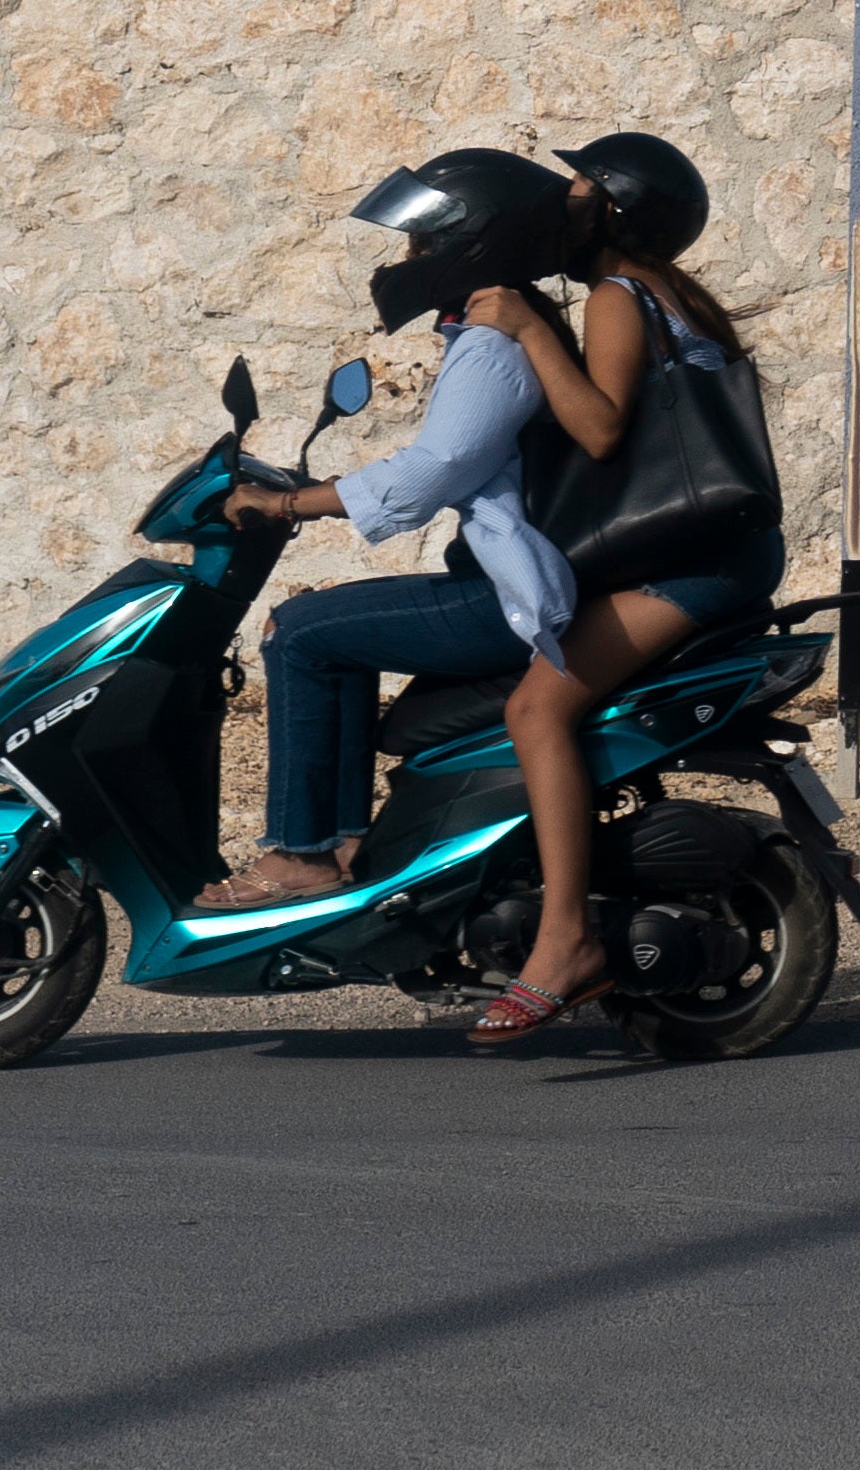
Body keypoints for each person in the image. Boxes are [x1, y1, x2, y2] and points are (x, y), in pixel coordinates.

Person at [460, 128, 786, 1054]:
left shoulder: (617, 295)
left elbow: (601, 430)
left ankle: (564, 938)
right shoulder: (672, 295)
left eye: (574, 188)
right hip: (720, 547)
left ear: (611, 206)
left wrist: (527, 328)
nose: (558, 202)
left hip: (691, 562)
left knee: (537, 708)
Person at [197, 147, 592, 910]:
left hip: (506, 593)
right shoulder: (499, 336)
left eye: (420, 241)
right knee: (323, 624)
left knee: (298, 633)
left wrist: (285, 503)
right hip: (501, 576)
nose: (408, 259)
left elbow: (428, 472)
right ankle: (347, 841)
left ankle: (299, 853)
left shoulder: (493, 349)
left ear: (469, 241)